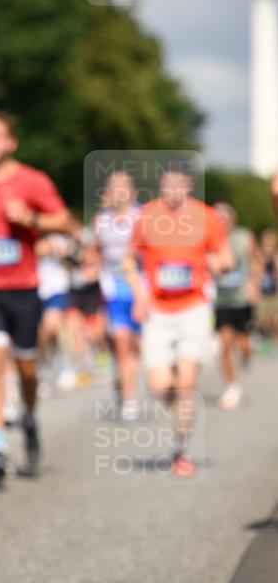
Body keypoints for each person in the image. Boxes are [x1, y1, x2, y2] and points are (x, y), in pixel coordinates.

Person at [0, 110, 75, 483]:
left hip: (24, 287)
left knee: (26, 368)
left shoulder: (32, 180)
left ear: (12, 142)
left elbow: (67, 222)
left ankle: (28, 416)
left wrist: (31, 219)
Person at [124, 161, 232, 477]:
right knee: (160, 384)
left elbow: (226, 258)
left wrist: (217, 263)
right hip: (157, 309)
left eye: (178, 184)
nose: (172, 191)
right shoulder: (147, 215)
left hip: (193, 307)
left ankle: (180, 449)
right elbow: (129, 259)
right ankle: (181, 411)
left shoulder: (206, 216)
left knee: (186, 382)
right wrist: (140, 296)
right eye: (166, 184)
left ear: (188, 185)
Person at [94, 171, 142, 419]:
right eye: (113, 186)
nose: (118, 190)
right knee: (122, 345)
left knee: (137, 347)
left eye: (123, 186)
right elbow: (94, 254)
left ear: (133, 191)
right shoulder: (101, 220)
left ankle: (123, 380)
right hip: (114, 290)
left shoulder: (143, 216)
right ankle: (129, 400)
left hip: (141, 289)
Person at [212, 203, 259, 410]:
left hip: (242, 299)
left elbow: (255, 260)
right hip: (221, 301)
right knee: (224, 344)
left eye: (224, 216)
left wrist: (254, 282)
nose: (221, 220)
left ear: (233, 218)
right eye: (216, 216)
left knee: (243, 343)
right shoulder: (208, 239)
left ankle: (247, 351)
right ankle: (232, 387)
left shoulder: (243, 236)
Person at [63, 227, 105, 390]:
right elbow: (65, 258)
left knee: (95, 335)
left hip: (93, 300)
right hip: (75, 299)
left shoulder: (100, 257)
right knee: (75, 331)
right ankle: (84, 367)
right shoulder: (74, 256)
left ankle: (98, 356)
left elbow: (95, 274)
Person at [36, 232, 75, 393]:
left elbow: (73, 258)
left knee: (52, 326)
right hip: (35, 289)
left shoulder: (58, 237)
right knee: (41, 335)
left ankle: (61, 363)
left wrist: (65, 253)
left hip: (56, 289)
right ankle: (43, 367)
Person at [256, 227, 278, 346]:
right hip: (262, 291)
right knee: (261, 320)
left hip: (273, 291)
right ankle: (266, 340)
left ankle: (275, 342)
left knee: (275, 319)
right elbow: (255, 271)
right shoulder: (258, 253)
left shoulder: (275, 254)